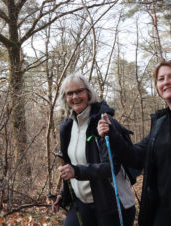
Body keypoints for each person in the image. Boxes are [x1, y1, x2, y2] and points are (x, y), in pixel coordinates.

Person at [51, 74, 135, 226]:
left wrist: (76, 171)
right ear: (65, 97)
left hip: (112, 204)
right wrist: (64, 194)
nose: (75, 97)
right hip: (82, 203)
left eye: (79, 91)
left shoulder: (103, 121)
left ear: (88, 93)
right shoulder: (67, 127)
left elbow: (111, 167)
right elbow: (70, 164)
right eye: (70, 93)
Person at [98, 59, 171, 226]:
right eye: (161, 79)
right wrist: (112, 133)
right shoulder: (160, 123)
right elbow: (135, 157)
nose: (166, 82)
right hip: (163, 211)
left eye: (170, 77)